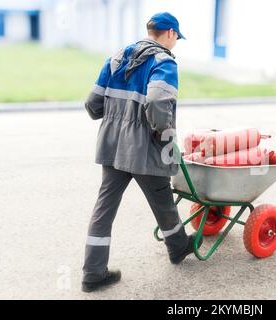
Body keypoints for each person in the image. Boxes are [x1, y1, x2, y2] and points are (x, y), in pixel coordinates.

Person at [81, 12, 201, 293]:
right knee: (162, 198)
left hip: (112, 145)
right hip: (144, 146)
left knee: (104, 207)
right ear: (170, 33)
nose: (176, 43)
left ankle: (93, 273)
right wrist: (163, 133)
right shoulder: (163, 61)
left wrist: (113, 118)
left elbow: (92, 103)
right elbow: (159, 102)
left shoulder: (118, 57)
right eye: (177, 38)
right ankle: (178, 247)